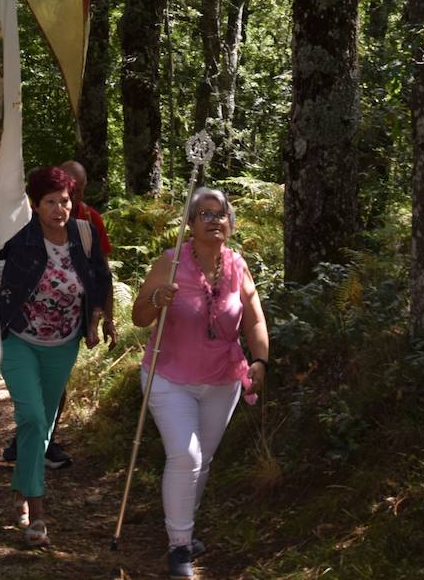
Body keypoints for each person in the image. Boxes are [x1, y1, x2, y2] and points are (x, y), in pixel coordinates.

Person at [132, 187, 269, 580]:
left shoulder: (238, 266)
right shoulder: (170, 262)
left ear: (231, 224)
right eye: (205, 215)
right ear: (190, 224)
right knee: (186, 457)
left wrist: (259, 360)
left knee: (202, 461)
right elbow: (139, 316)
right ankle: (178, 547)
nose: (214, 221)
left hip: (222, 380)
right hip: (168, 377)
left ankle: (182, 528)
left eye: (221, 214)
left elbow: (254, 319)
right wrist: (157, 298)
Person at [0, 165, 113, 549]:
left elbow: (100, 279)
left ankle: (21, 488)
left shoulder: (84, 234)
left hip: (63, 344)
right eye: (50, 202)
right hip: (18, 338)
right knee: (31, 415)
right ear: (35, 204)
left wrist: (104, 318)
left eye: (65, 201)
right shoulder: (17, 236)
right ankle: (38, 512)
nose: (59, 209)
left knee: (42, 425)